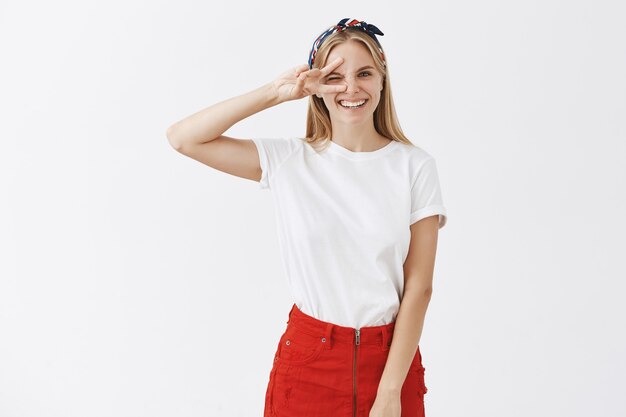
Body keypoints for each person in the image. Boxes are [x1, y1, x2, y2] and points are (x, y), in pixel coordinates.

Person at [167, 17, 447, 417]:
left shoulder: (414, 166)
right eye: (335, 76)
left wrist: (388, 394)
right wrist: (277, 92)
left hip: (391, 363)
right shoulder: (289, 160)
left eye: (364, 73)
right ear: (317, 86)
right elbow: (184, 138)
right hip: (309, 360)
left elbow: (419, 286)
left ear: (383, 80)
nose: (351, 88)